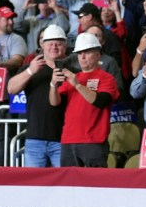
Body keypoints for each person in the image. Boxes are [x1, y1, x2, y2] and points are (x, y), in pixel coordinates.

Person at [49, 32, 120, 167]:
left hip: (94, 140)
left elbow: (101, 101)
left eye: (87, 52)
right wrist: (52, 84)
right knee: (69, 185)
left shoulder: (106, 78)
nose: (82, 56)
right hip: (68, 139)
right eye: (80, 52)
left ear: (98, 55)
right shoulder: (73, 77)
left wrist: (77, 85)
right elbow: (54, 103)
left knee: (95, 184)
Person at [7, 25, 67, 167]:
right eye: (50, 43)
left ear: (65, 46)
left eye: (58, 43)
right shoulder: (31, 67)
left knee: (63, 187)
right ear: (42, 45)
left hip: (63, 140)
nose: (54, 46)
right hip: (35, 139)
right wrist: (30, 71)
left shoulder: (72, 71)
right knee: (34, 187)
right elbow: (11, 89)